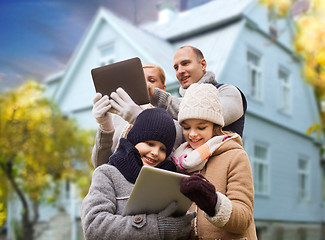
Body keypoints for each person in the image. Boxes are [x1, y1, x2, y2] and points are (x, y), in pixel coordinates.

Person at [81, 108, 196, 240]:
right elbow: (93, 226)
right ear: (135, 140)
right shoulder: (107, 174)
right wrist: (155, 226)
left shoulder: (170, 181)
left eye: (162, 149)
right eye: (150, 143)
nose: (155, 152)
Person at [170, 83, 257, 239]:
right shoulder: (180, 160)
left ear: (215, 126)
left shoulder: (235, 156)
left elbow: (244, 218)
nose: (192, 134)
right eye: (186, 127)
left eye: (201, 127)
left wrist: (213, 202)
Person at [91, 63, 183, 168]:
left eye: (152, 80)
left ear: (163, 88)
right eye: (140, 81)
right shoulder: (117, 117)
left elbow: (168, 163)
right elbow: (99, 165)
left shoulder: (172, 121)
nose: (146, 85)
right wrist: (105, 126)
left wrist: (139, 119)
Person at [148, 45, 247, 137]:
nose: (180, 71)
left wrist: (157, 96)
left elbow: (203, 113)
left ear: (203, 65)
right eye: (176, 67)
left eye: (185, 63)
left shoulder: (229, 92)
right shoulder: (176, 108)